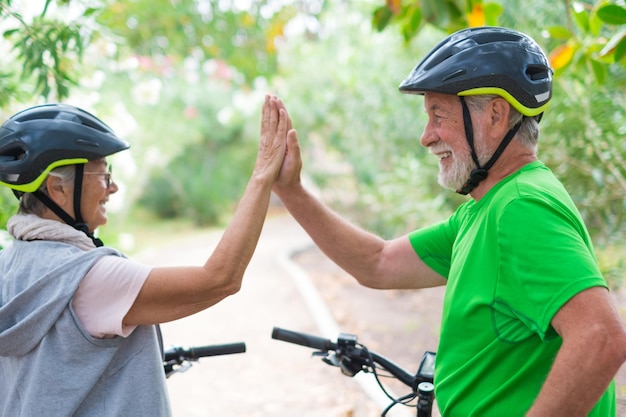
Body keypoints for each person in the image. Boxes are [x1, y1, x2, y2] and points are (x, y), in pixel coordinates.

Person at [272, 27, 626, 416]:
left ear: (495, 115)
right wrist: (293, 191)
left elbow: (601, 337)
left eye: (438, 115)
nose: (426, 136)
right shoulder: (483, 210)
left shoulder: (520, 208)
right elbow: (379, 263)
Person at [0, 95, 289, 416]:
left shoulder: (9, 266)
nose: (113, 188)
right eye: (103, 176)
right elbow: (220, 279)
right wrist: (263, 174)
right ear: (58, 189)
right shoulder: (87, 278)